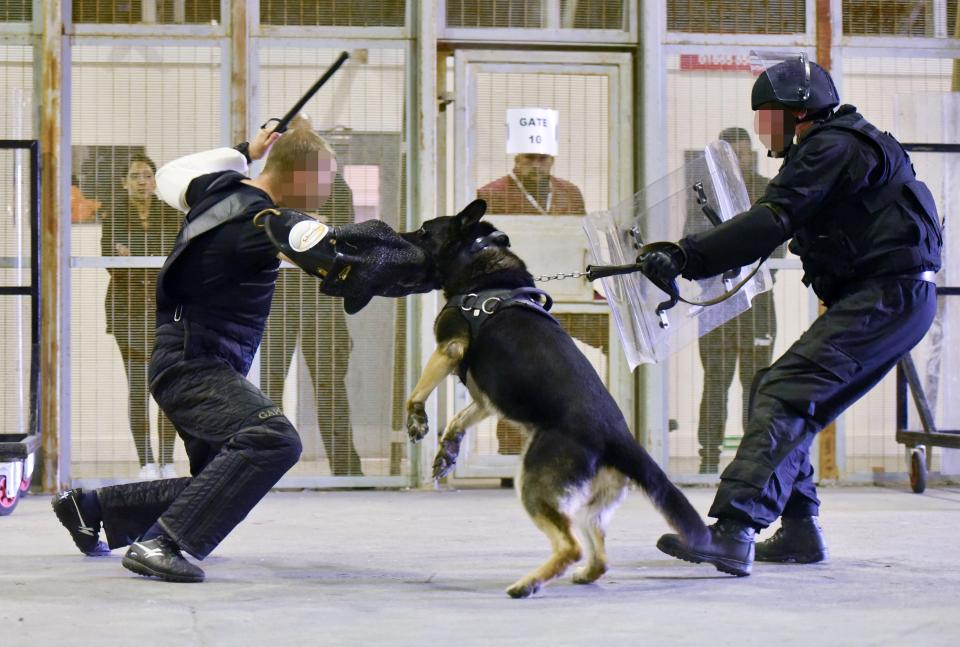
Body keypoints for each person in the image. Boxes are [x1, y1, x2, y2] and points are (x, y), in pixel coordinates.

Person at [51, 117, 432, 581]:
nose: (329, 193)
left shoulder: (218, 189)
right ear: (303, 174)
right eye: (326, 181)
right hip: (196, 366)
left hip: (186, 356)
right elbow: (354, 263)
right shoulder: (267, 222)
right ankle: (163, 544)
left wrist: (245, 151)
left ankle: (92, 511)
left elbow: (175, 173)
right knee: (274, 440)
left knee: (220, 481)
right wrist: (439, 268)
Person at [649, 56, 942, 576]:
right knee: (777, 388)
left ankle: (734, 531)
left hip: (887, 296)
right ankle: (801, 530)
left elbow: (773, 218)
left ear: (799, 115)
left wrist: (686, 256)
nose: (765, 130)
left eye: (769, 118)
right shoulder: (836, 145)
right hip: (885, 297)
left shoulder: (834, 145)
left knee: (785, 390)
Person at [476, 109, 587, 459]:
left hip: (561, 295)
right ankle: (510, 453)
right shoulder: (490, 194)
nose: (535, 166)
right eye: (528, 158)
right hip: (510, 299)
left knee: (558, 376)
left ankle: (557, 449)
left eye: (542, 159)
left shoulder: (570, 194)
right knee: (513, 375)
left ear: (552, 159)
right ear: (515, 157)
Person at [688, 128, 779, 474]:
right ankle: (708, 459)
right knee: (715, 380)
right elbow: (692, 243)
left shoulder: (768, 190)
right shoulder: (703, 193)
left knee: (756, 383)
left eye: (745, 154)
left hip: (758, 305)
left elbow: (780, 246)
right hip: (717, 303)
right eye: (733, 155)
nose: (740, 161)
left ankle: (752, 462)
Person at [260, 171, 363, 476]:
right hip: (276, 299)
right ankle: (263, 470)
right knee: (268, 386)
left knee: (331, 385)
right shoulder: (272, 184)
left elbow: (346, 239)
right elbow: (267, 235)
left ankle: (347, 472)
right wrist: (312, 227)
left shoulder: (335, 184)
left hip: (321, 299)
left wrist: (299, 230)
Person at [101, 154, 182, 480]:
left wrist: (132, 255)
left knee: (169, 387)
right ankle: (146, 461)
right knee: (138, 387)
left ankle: (167, 458)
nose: (141, 181)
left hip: (166, 310)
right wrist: (139, 259)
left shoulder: (170, 213)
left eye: (147, 175)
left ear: (155, 181)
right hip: (127, 312)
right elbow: (111, 262)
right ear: (124, 182)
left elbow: (176, 256)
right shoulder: (115, 215)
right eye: (134, 175)